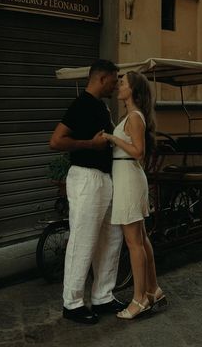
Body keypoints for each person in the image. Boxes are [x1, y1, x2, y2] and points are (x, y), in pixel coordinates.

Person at [49, 59, 125, 325]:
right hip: (86, 178)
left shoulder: (101, 107)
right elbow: (56, 140)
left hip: (105, 178)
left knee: (111, 238)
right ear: (102, 78)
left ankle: (103, 295)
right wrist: (90, 145)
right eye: (114, 80)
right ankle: (72, 303)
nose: (116, 86)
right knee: (83, 240)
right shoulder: (81, 104)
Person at [102, 71, 165, 320]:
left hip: (129, 177)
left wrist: (110, 138)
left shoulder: (134, 117)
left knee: (134, 242)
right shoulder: (132, 116)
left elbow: (138, 151)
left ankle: (139, 300)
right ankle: (153, 289)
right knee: (141, 238)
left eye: (123, 83)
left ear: (133, 91)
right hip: (128, 177)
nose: (119, 86)